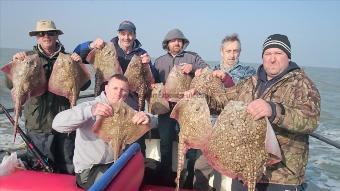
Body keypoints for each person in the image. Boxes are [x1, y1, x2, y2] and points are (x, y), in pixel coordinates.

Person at [194, 34, 320, 191]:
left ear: (288, 56)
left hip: (281, 176)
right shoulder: (250, 82)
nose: (272, 59)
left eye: (278, 53)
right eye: (268, 54)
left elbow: (310, 120)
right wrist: (199, 94)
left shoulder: (301, 84)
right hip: (244, 168)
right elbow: (224, 101)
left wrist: (273, 110)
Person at [6, 20, 90, 174]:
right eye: (41, 34)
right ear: (37, 37)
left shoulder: (69, 58)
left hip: (65, 120)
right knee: (40, 168)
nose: (46, 36)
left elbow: (85, 85)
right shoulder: (28, 58)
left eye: (50, 33)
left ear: (56, 36)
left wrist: (78, 65)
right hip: (39, 123)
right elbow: (9, 84)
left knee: (67, 165)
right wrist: (15, 62)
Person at [52, 74, 158, 189]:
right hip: (90, 169)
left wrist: (147, 118)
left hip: (118, 162)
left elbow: (155, 121)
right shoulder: (90, 106)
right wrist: (90, 112)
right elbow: (57, 124)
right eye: (115, 88)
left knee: (150, 168)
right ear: (106, 88)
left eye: (123, 90)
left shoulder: (126, 111)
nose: (118, 93)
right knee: (113, 185)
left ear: (127, 93)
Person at [73, 20, 156, 155]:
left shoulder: (142, 53)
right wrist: (91, 45)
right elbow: (77, 54)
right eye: (123, 34)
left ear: (135, 35)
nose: (126, 37)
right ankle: (108, 163)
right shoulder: (106, 47)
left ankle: (130, 164)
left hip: (130, 102)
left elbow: (151, 79)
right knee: (105, 139)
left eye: (130, 34)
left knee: (131, 140)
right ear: (118, 34)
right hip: (107, 100)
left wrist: (147, 64)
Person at [191, 33, 256, 191]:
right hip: (211, 129)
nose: (232, 55)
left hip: (234, 130)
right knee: (200, 169)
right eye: (229, 51)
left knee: (226, 175)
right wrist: (196, 83)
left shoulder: (249, 73)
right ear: (222, 52)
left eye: (236, 51)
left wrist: (227, 81)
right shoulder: (211, 71)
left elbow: (245, 99)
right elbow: (202, 96)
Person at [153, 28, 209, 181]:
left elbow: (207, 72)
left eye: (179, 40)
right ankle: (165, 177)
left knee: (190, 146)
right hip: (166, 110)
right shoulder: (159, 61)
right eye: (173, 40)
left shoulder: (193, 57)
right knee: (165, 143)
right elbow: (153, 81)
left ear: (183, 43)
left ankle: (190, 177)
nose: (177, 43)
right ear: (167, 43)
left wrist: (194, 68)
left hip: (188, 110)